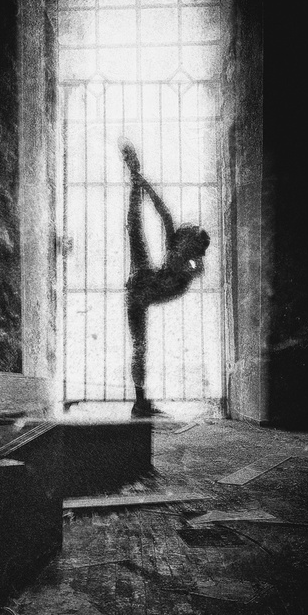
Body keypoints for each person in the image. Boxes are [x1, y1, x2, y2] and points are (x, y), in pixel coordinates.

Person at [119, 136, 210, 418]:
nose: (183, 235)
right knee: (134, 230)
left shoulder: (191, 264)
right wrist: (142, 183)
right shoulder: (176, 245)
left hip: (146, 290)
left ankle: (140, 403)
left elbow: (190, 272)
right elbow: (164, 212)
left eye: (189, 236)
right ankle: (140, 402)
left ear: (192, 245)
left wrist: (189, 266)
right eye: (186, 234)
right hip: (142, 287)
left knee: (140, 346)